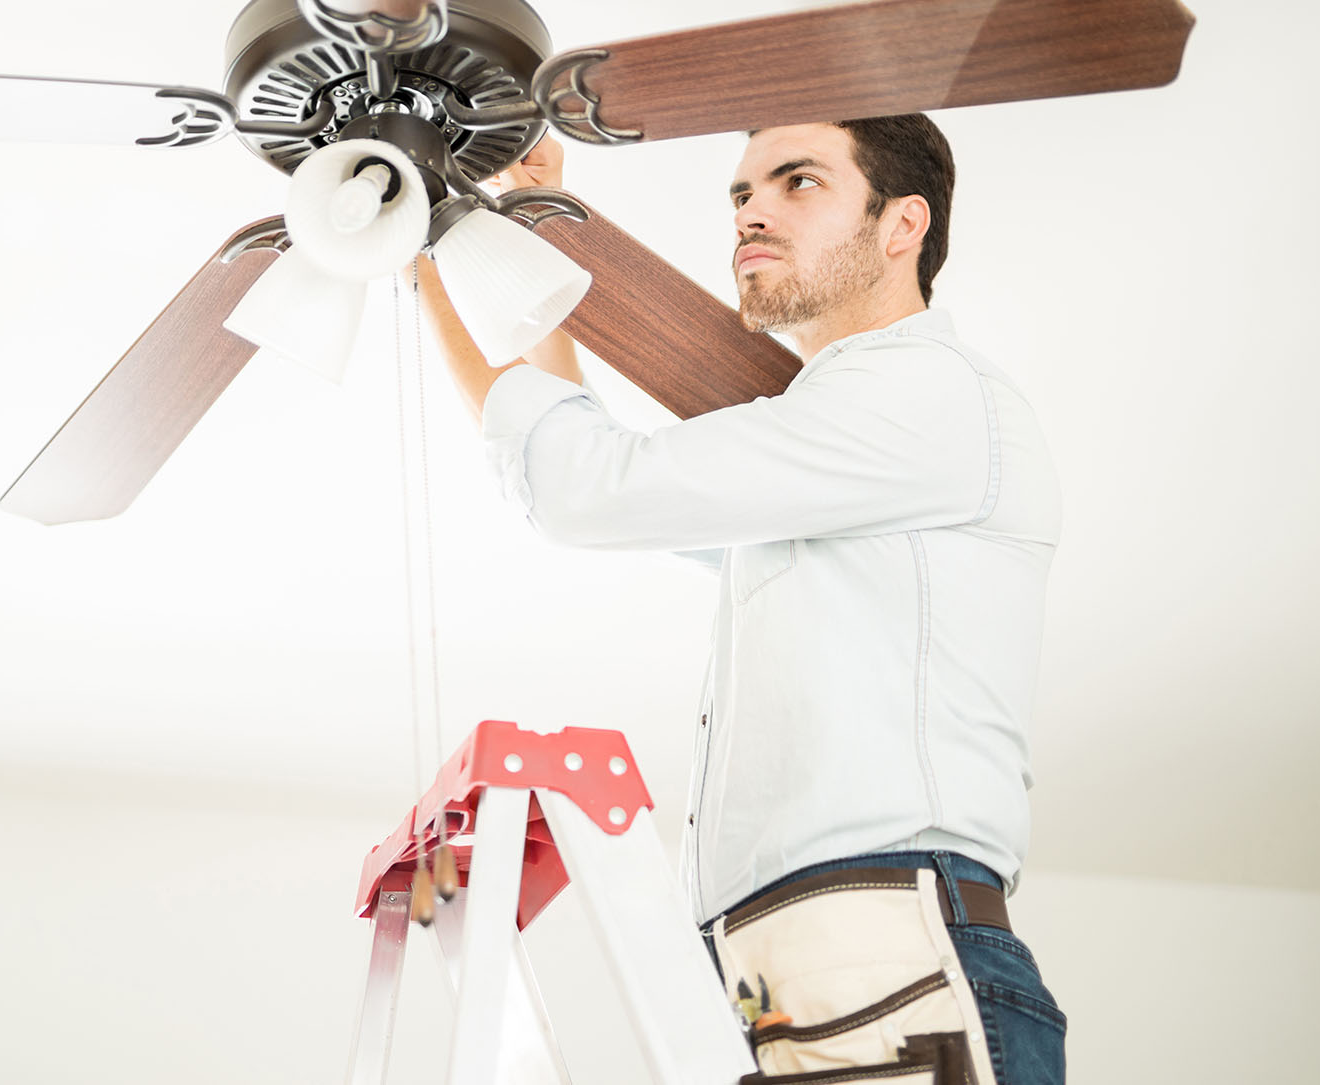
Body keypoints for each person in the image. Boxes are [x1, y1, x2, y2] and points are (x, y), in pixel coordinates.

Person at [414, 117, 1068, 1084]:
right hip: (799, 970)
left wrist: (423, 256)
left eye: (798, 181)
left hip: (886, 955)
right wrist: (521, 236)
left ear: (903, 225)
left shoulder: (926, 397)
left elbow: (583, 486)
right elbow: (601, 476)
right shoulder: (833, 455)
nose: (752, 210)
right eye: (741, 192)